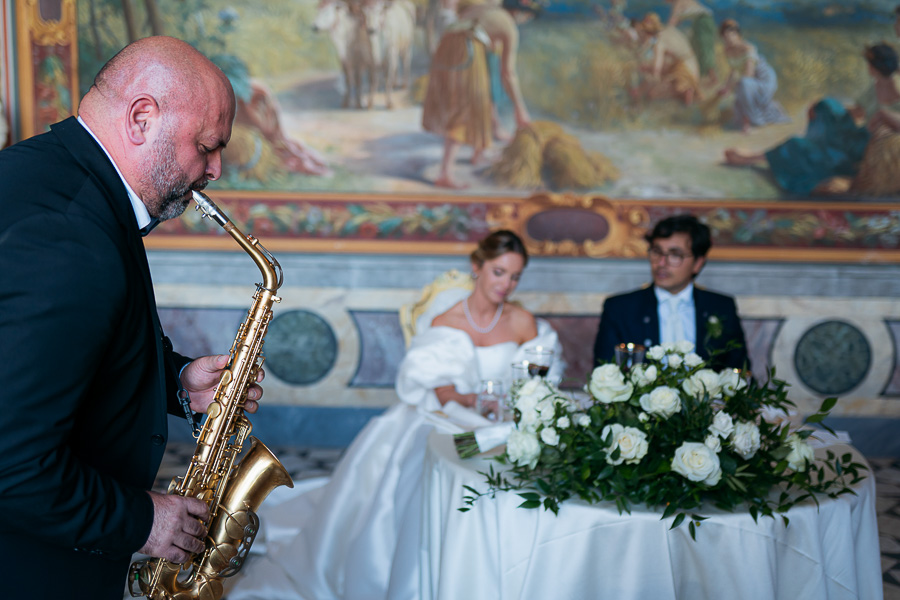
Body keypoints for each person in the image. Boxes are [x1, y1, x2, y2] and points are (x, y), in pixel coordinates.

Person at [0, 36, 266, 600]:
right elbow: (10, 466)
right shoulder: (71, 243)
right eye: (206, 145)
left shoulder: (44, 174)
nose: (215, 169)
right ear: (142, 117)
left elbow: (65, 348)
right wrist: (145, 521)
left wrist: (175, 378)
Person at [225, 230, 564, 600]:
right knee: (427, 457)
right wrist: (471, 400)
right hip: (449, 414)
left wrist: (512, 403)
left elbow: (539, 378)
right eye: (499, 272)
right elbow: (433, 386)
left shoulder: (523, 322)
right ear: (477, 267)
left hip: (502, 421)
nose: (506, 284)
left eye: (515, 276)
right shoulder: (448, 321)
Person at [724, 43, 900, 196]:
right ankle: (813, 143)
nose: (868, 68)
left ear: (876, 66)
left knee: (798, 146)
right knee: (826, 105)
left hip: (870, 145)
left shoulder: (897, 86)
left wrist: (884, 116)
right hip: (859, 136)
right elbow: (859, 112)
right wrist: (826, 108)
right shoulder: (877, 84)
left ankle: (755, 158)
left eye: (869, 63)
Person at [593, 215, 749, 372]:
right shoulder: (621, 308)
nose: (661, 263)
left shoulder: (722, 307)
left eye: (675, 255)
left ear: (697, 263)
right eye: (656, 251)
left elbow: (740, 374)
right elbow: (604, 372)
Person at [422, 0, 539, 189]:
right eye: (527, 15)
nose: (526, 19)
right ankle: (445, 173)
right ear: (518, 12)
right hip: (466, 49)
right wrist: (520, 109)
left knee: (480, 100)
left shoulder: (484, 11)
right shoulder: (509, 26)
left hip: (446, 46)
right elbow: (508, 74)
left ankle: (479, 153)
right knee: (464, 108)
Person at [714, 19, 790, 132]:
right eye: (725, 37)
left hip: (764, 79)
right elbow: (733, 71)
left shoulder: (748, 48)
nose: (728, 39)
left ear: (738, 35)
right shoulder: (727, 50)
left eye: (731, 35)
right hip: (749, 80)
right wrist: (726, 87)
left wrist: (733, 87)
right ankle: (759, 114)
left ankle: (748, 121)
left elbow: (749, 74)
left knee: (744, 85)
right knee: (742, 86)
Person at [631, 12, 700, 106]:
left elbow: (656, 70)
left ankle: (682, 92)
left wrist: (642, 86)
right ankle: (683, 91)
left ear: (647, 33)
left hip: (684, 72)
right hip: (693, 68)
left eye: (642, 34)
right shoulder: (669, 30)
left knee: (652, 95)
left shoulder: (659, 42)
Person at [665, 0, 717, 85]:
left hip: (703, 22)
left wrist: (664, 31)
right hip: (698, 22)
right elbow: (677, 20)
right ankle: (701, 77)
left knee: (704, 49)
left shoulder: (678, 2)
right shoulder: (677, 3)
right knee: (695, 48)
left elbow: (673, 20)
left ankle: (713, 78)